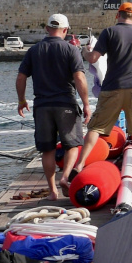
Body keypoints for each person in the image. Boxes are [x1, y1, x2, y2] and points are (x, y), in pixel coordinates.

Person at [72, 1, 132, 176]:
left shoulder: (109, 32)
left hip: (112, 86)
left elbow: (94, 58)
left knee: (95, 128)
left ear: (117, 15)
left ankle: (80, 164)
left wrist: (84, 51)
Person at [16, 13, 90, 200]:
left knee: (47, 149)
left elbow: (21, 77)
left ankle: (52, 191)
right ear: (65, 30)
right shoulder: (71, 50)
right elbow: (79, 78)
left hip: (42, 106)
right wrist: (86, 104)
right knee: (72, 145)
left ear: (47, 29)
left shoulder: (34, 51)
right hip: (66, 103)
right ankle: (65, 177)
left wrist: (21, 100)